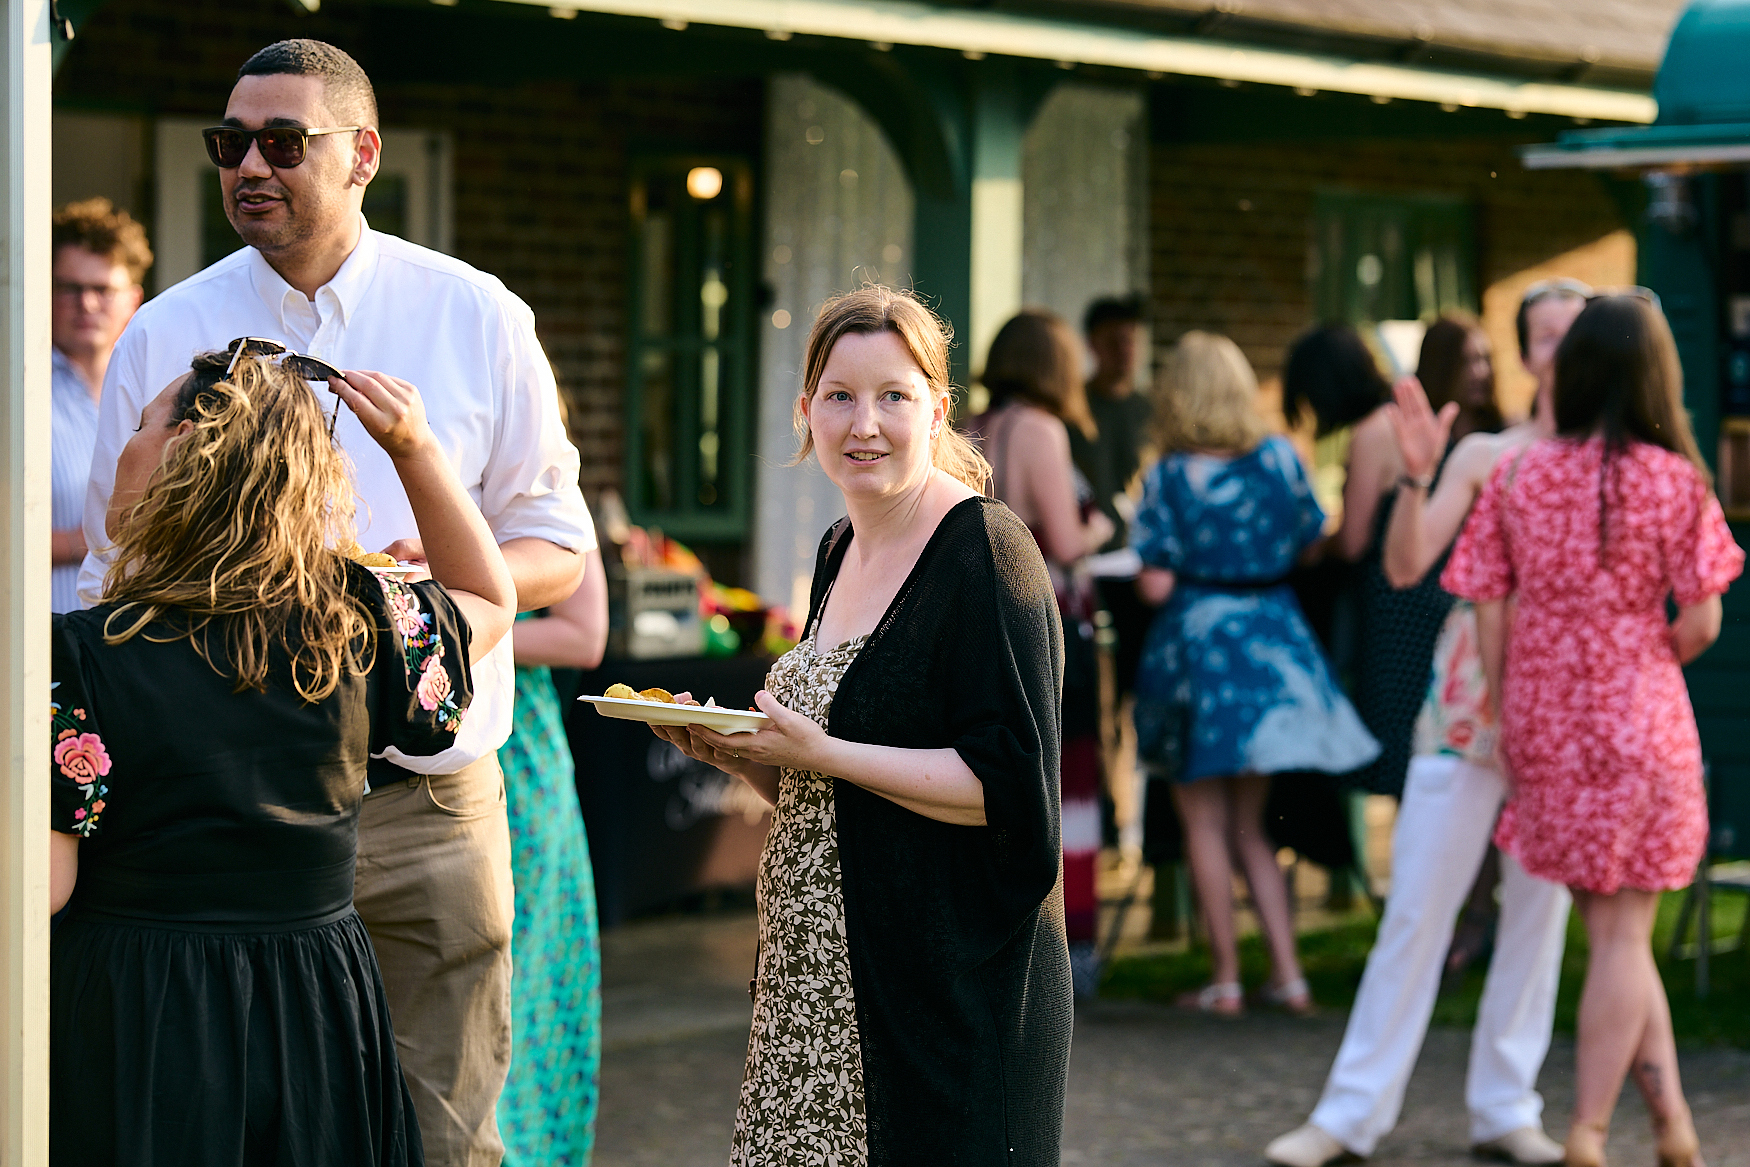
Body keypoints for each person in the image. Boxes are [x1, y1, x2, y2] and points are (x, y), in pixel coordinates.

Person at [77, 40, 594, 1166]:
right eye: (230, 145)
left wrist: (418, 604)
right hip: (215, 818)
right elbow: (109, 566)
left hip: (424, 803)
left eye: (281, 142)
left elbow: (556, 550)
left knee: (445, 1136)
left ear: (363, 154)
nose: (249, 167)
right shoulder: (164, 332)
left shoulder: (477, 314)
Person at [50, 349, 517, 1165]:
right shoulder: (356, 625)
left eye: (139, 425)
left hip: (141, 1007)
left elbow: (44, 888)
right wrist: (415, 448)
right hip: (315, 1004)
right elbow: (489, 598)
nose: (124, 446)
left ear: (181, 450)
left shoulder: (79, 657)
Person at [653, 285, 1072, 1165]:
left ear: (938, 410)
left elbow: (1009, 791)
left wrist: (827, 751)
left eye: (894, 396)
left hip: (937, 1002)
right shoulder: (838, 547)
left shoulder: (986, 551)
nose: (864, 423)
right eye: (840, 396)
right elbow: (835, 784)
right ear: (806, 409)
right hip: (812, 991)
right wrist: (742, 754)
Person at [1265, 280, 1592, 1167]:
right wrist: (1417, 473)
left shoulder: (1614, 458)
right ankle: (1349, 1114)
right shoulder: (1487, 451)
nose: (1562, 349)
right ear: (1524, 352)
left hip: (1564, 710)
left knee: (1537, 916)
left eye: (1577, 332)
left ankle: (1507, 1105)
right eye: (1547, 335)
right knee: (1416, 906)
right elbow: (1407, 562)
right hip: (1466, 705)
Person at [1443, 295, 1742, 1167]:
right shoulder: (1674, 481)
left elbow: (1487, 606)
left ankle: (1673, 1125)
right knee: (1623, 937)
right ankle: (1590, 1130)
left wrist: (1511, 708)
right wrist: (1646, 656)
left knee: (1616, 935)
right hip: (1641, 718)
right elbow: (1704, 620)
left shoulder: (1517, 476)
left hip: (1544, 720)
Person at [1131, 331, 1378, 1016]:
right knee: (1252, 828)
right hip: (1273, 651)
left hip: (1198, 657)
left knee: (1203, 825)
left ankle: (1226, 981)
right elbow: (1312, 543)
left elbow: (1153, 584)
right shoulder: (1281, 457)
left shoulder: (1169, 475)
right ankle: (1291, 977)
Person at [967, 309, 1114, 995]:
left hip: (984, 618)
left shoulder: (972, 427)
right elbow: (1066, 538)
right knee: (1065, 781)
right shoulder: (1041, 430)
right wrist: (1106, 522)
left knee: (1000, 774)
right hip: (1046, 618)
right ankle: (1068, 950)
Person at [497, 553, 608, 1166]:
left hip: (516, 759)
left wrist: (438, 628)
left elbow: (584, 634)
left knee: (526, 988)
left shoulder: (545, 494)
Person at [50, 198, 150, 614]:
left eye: (103, 290)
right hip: (40, 638)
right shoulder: (16, 395)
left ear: (133, 300)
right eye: (70, 288)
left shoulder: (157, 391)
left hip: (131, 641)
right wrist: (87, 541)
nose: (87, 304)